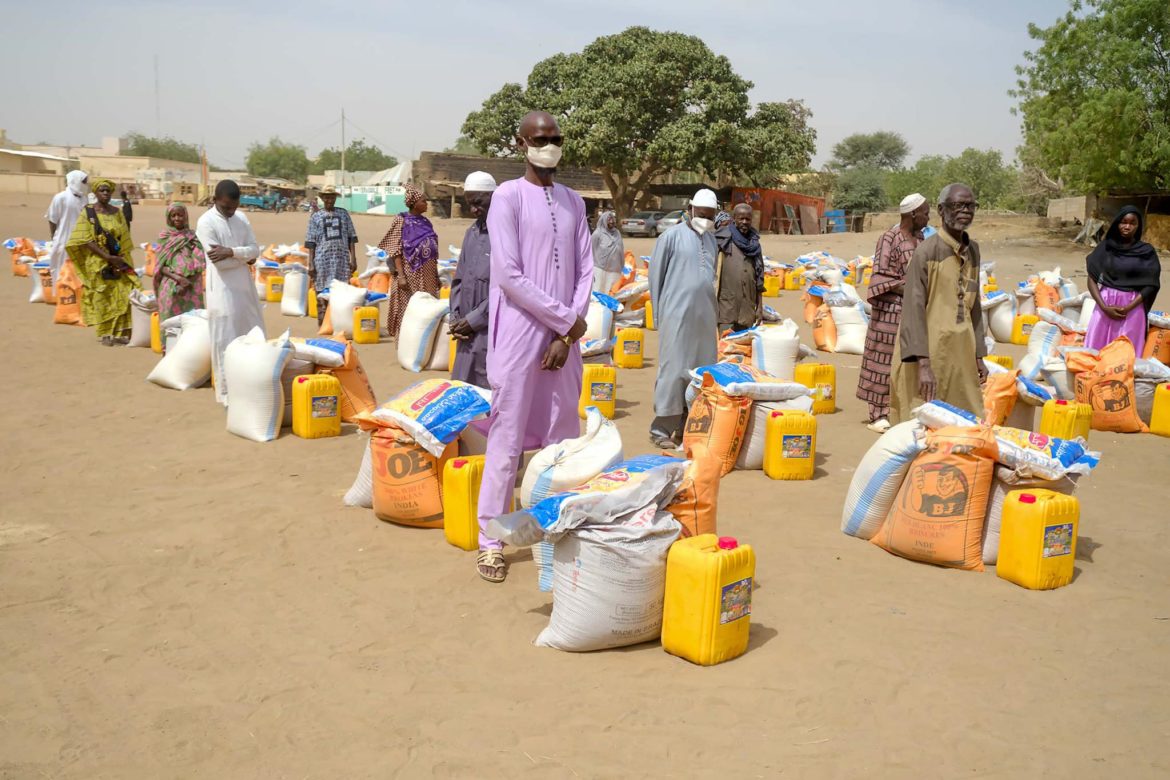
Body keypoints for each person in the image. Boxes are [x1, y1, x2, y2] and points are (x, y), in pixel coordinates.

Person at [476, 111, 593, 583]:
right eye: (541, 139)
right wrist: (565, 321)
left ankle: (554, 530)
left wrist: (566, 336)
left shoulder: (574, 201)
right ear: (521, 143)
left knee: (561, 440)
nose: (550, 146)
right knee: (506, 441)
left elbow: (585, 270)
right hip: (519, 334)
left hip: (564, 342)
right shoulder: (506, 197)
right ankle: (490, 542)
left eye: (556, 139)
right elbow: (508, 274)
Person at [889, 183, 988, 423]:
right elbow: (913, 311)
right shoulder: (926, 252)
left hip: (962, 353)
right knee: (921, 424)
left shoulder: (973, 251)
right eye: (958, 205)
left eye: (970, 206)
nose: (965, 211)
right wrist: (923, 365)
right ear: (942, 210)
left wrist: (979, 355)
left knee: (964, 423)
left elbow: (974, 305)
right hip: (929, 354)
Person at [648, 188, 720, 448]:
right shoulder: (670, 237)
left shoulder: (712, 241)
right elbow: (655, 277)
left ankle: (688, 427)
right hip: (676, 314)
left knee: (701, 371)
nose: (705, 220)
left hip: (704, 316)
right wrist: (659, 316)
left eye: (710, 216)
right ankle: (661, 430)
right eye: (701, 214)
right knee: (674, 369)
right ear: (690, 210)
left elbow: (710, 277)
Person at [857, 193, 930, 433]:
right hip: (890, 310)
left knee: (908, 361)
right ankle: (877, 414)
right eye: (926, 213)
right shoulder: (889, 238)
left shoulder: (921, 239)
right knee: (882, 360)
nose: (928, 218)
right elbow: (880, 277)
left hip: (914, 310)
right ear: (913, 214)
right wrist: (912, 288)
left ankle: (902, 408)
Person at [196, 180, 264, 407]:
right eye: (226, 207)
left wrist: (231, 252)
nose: (231, 211)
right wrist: (243, 257)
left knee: (252, 334)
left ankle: (252, 387)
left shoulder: (241, 218)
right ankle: (226, 394)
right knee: (225, 340)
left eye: (234, 207)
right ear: (215, 200)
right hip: (222, 289)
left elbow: (255, 251)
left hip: (245, 288)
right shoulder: (206, 222)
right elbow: (221, 264)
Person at [65, 178, 140, 345]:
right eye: (102, 190)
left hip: (118, 260)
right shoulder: (88, 213)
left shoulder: (117, 212)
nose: (105, 193)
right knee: (102, 297)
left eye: (108, 190)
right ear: (96, 193)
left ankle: (120, 333)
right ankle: (105, 334)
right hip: (98, 262)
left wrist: (120, 258)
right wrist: (107, 257)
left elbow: (124, 236)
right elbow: (84, 239)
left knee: (122, 294)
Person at [1084, 206, 1161, 354]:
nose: (1127, 226)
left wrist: (1129, 307)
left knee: (1126, 353)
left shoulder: (1146, 251)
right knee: (1096, 350)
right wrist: (1103, 307)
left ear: (1138, 226)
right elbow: (1092, 278)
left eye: (1132, 223)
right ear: (1117, 223)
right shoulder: (1105, 247)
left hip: (1132, 308)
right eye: (1123, 222)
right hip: (1105, 303)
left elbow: (1151, 284)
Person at [449, 171, 497, 389]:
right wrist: (455, 318)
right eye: (470, 204)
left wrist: (474, 320)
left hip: (491, 332)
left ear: (494, 197)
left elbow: (506, 290)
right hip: (466, 334)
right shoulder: (472, 232)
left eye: (478, 203)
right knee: (461, 390)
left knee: (488, 392)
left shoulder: (507, 234)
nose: (473, 210)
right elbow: (459, 279)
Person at [379, 184, 439, 339]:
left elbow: (433, 249)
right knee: (408, 308)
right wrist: (401, 276)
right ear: (413, 203)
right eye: (423, 201)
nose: (426, 203)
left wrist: (436, 275)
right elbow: (396, 250)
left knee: (427, 309)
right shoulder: (402, 220)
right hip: (409, 274)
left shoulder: (426, 222)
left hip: (428, 275)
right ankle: (405, 341)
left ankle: (422, 341)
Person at [304, 184, 358, 323]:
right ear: (322, 198)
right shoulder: (316, 216)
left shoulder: (343, 214)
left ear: (335, 198)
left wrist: (353, 259)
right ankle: (322, 324)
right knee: (321, 293)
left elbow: (351, 237)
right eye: (327, 197)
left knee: (341, 293)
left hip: (341, 261)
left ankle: (338, 324)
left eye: (332, 197)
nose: (329, 200)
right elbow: (311, 242)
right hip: (322, 260)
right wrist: (311, 263)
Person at [715, 203, 765, 334]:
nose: (744, 222)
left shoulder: (754, 244)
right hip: (726, 307)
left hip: (747, 308)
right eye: (741, 218)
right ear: (734, 219)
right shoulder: (723, 239)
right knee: (725, 343)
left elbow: (759, 279)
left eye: (748, 219)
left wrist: (759, 307)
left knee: (743, 344)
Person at [153, 203, 206, 318]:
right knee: (170, 321)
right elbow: (160, 266)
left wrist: (187, 282)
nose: (177, 218)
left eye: (180, 215)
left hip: (192, 284)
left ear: (185, 216)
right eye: (173, 215)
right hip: (170, 283)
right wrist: (179, 279)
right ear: (169, 218)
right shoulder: (164, 237)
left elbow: (200, 261)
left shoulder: (193, 237)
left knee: (193, 320)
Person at [46, 169, 88, 284]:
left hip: (81, 241)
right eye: (84, 182)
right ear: (75, 181)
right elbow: (52, 219)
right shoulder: (61, 197)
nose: (86, 185)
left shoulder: (85, 199)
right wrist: (54, 237)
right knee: (61, 270)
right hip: (63, 239)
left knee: (77, 272)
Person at [590, 209, 624, 295]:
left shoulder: (617, 233)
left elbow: (621, 250)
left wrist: (622, 266)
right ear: (604, 221)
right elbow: (591, 251)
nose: (612, 221)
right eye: (609, 219)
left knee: (612, 293)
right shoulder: (597, 234)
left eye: (613, 219)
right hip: (600, 270)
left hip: (615, 270)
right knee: (599, 292)